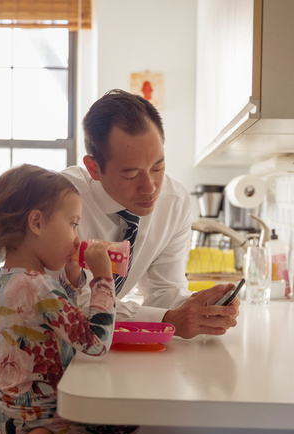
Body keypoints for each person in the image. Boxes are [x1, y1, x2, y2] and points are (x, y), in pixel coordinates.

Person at [0, 164, 135, 434]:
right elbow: (95, 342)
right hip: (44, 421)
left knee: (122, 427)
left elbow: (52, 321)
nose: (77, 238)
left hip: (10, 417)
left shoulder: (7, 280)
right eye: (73, 224)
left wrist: (72, 278)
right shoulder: (40, 287)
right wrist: (103, 277)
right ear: (36, 222)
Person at [62, 89, 239, 339]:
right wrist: (168, 320)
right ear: (94, 168)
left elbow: (164, 291)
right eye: (131, 175)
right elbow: (73, 303)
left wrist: (202, 307)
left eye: (158, 167)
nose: (150, 188)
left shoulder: (175, 203)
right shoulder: (61, 201)